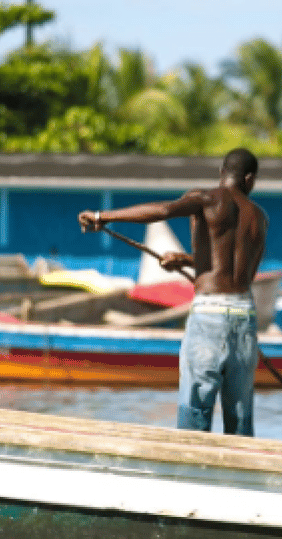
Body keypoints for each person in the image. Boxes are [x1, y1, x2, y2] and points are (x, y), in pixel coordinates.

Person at [78, 148, 267, 436]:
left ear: (221, 173)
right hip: (244, 316)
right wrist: (188, 260)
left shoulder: (206, 198)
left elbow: (163, 211)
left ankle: (189, 472)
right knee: (240, 418)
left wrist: (104, 216)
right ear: (250, 179)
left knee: (195, 411)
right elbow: (242, 274)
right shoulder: (259, 218)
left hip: (209, 316)